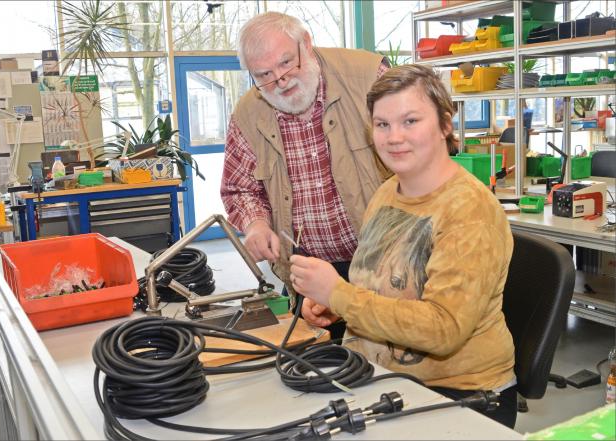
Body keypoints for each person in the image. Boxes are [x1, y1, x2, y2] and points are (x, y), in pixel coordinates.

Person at [289, 64, 517, 428]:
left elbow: (443, 329)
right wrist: (335, 302)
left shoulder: (469, 210)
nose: (394, 137)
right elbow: (382, 288)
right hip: (378, 381)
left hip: (458, 397)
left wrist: (342, 295)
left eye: (410, 121)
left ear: (445, 124)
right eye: (382, 124)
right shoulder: (386, 193)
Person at [220, 11, 391, 339]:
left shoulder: (368, 77)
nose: (280, 81)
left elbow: (417, 153)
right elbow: (239, 188)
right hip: (308, 274)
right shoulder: (248, 113)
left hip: (384, 265)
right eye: (264, 75)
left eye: (286, 63)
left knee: (390, 367)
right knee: (322, 370)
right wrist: (256, 225)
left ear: (307, 44)